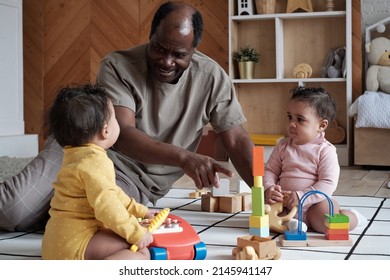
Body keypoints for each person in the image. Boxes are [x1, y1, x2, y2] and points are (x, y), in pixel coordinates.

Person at [0, 1, 254, 232]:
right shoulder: (118, 65)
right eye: (159, 48)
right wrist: (184, 158)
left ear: (194, 50)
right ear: (151, 36)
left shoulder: (212, 77)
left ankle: (51, 208)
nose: (167, 61)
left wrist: (263, 188)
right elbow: (121, 134)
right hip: (81, 149)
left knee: (90, 224)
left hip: (134, 179)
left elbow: (236, 140)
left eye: (179, 55)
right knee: (11, 211)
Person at [41, 84, 158, 260]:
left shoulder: (74, 155)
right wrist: (135, 232)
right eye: (115, 119)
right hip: (76, 245)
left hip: (56, 243)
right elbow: (107, 204)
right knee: (140, 252)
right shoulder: (96, 161)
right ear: (105, 130)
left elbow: (113, 192)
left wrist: (140, 212)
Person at [264, 86, 367, 233]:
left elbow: (328, 183)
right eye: (289, 117)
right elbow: (270, 171)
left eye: (300, 119)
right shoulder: (283, 146)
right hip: (285, 203)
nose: (292, 123)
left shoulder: (325, 150)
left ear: (321, 125)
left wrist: (301, 196)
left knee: (328, 225)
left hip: (314, 204)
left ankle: (353, 217)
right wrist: (269, 188)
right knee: (266, 218)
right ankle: (297, 224)